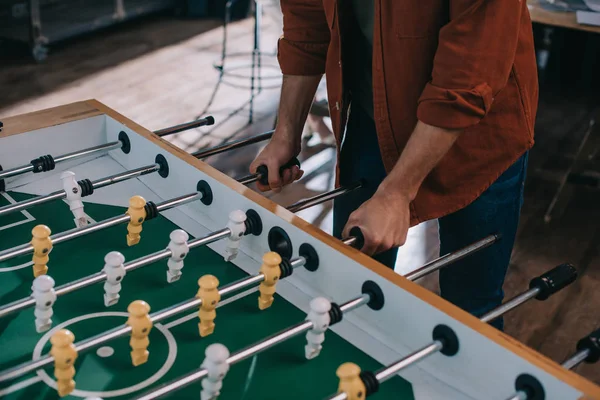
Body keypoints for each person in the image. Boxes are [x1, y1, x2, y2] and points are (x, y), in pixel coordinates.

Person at [249, 0, 538, 330]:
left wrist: (396, 193)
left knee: (470, 307)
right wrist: (286, 132)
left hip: (478, 135)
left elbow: (467, 79)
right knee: (352, 284)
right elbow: (307, 22)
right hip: (371, 117)